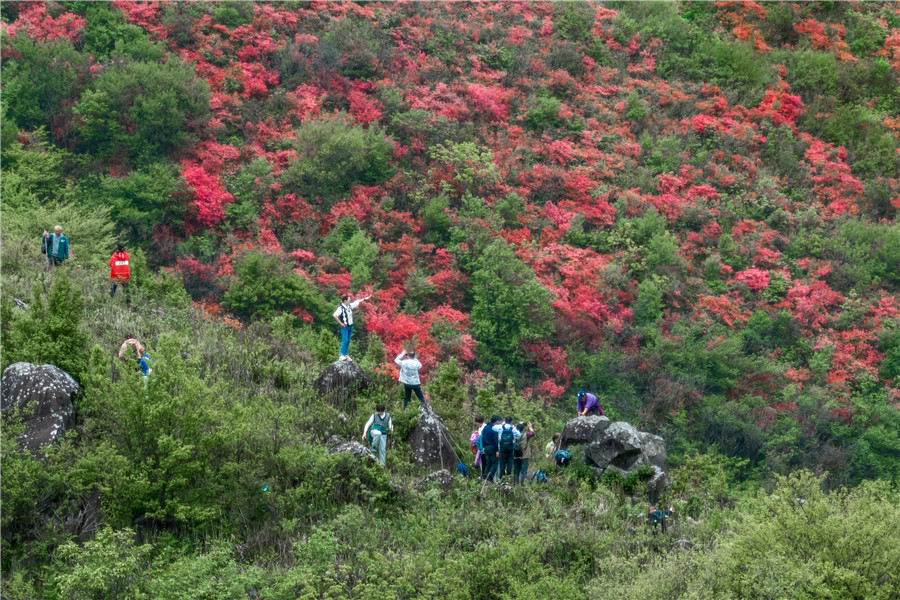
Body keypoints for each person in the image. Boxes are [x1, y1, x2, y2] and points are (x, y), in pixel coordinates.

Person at [332, 294, 372, 361]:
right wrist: (341, 323)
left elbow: (357, 301)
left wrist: (365, 298)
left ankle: (345, 354)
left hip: (350, 326)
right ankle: (341, 354)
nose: (350, 301)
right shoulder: (341, 308)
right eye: (348, 300)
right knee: (344, 341)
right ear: (345, 301)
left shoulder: (350, 306)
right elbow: (335, 315)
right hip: (345, 327)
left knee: (348, 341)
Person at [495, 416, 521, 481]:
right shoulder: (513, 429)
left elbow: (493, 428)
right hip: (510, 449)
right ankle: (508, 479)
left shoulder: (500, 427)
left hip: (502, 449)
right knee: (509, 465)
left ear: (505, 421)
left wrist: (501, 424)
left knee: (502, 465)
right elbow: (519, 435)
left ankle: (501, 479)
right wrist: (514, 428)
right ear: (511, 422)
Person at [513, 421, 535, 485]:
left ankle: (515, 484)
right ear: (523, 429)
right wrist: (530, 427)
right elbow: (533, 433)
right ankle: (522, 484)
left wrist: (518, 425)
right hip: (524, 455)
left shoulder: (513, 435)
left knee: (516, 471)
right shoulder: (526, 435)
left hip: (515, 455)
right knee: (523, 471)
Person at [480, 415, 501, 482]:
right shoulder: (494, 428)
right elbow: (495, 440)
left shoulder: (485, 428)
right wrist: (497, 450)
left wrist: (483, 447)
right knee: (495, 463)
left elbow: (482, 438)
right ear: (497, 421)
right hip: (492, 447)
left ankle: (485, 476)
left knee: (488, 463)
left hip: (486, 447)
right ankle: (490, 476)